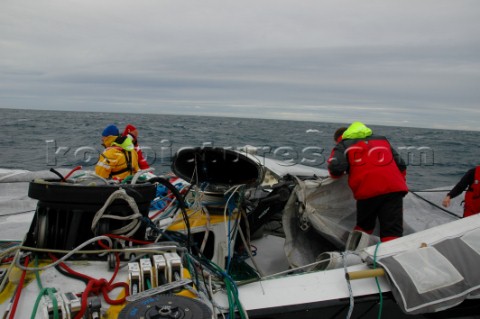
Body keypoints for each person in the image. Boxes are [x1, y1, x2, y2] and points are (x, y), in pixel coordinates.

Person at [328, 122, 408, 242]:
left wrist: (339, 173)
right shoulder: (382, 141)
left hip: (368, 190)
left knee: (364, 227)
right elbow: (401, 165)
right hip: (395, 189)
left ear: (340, 138)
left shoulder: (343, 145)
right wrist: (399, 182)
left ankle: (354, 253)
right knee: (392, 231)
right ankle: (389, 258)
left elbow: (336, 169)